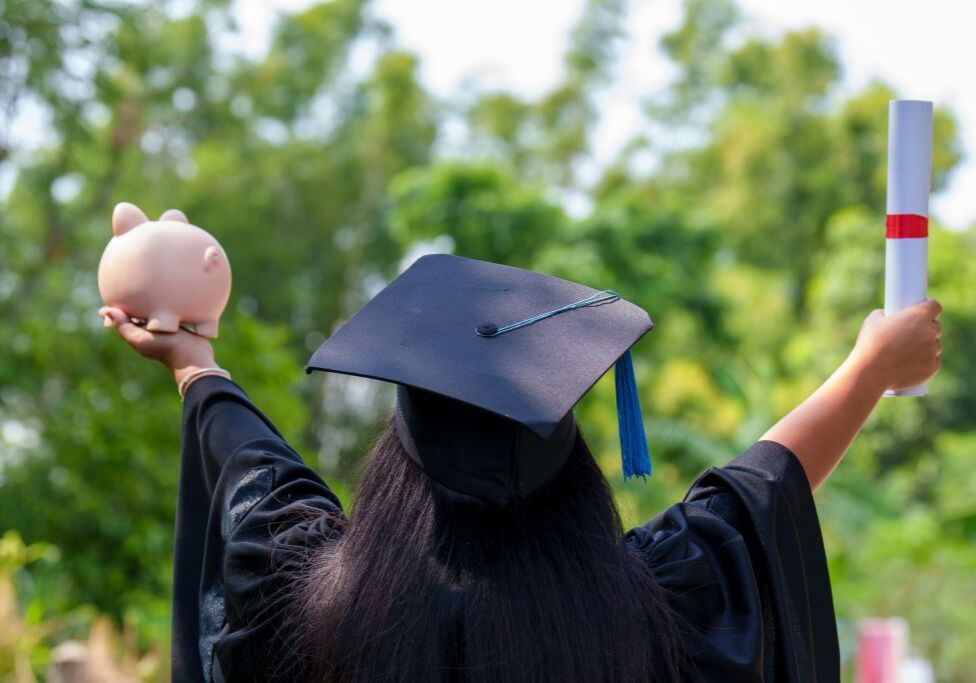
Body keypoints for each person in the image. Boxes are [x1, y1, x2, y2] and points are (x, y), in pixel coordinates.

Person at [100, 237, 942, 683]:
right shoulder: (650, 615)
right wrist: (870, 369)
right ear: (568, 464)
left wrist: (193, 358)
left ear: (401, 456)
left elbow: (257, 476)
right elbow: (752, 497)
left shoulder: (311, 604)